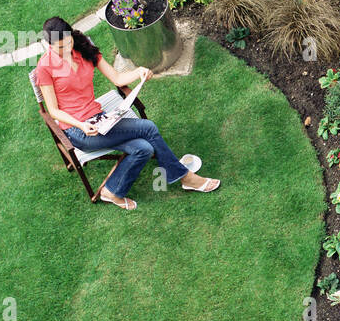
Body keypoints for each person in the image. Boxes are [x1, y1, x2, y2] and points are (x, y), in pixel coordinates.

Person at [34, 17, 219, 210]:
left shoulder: (83, 47)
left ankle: (111, 191)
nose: (66, 50)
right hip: (78, 130)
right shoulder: (45, 68)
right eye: (60, 48)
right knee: (148, 128)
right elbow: (53, 111)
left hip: (99, 118)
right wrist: (81, 125)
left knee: (144, 149)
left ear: (72, 35)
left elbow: (117, 77)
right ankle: (185, 177)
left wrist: (139, 72)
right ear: (49, 45)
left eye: (68, 43)